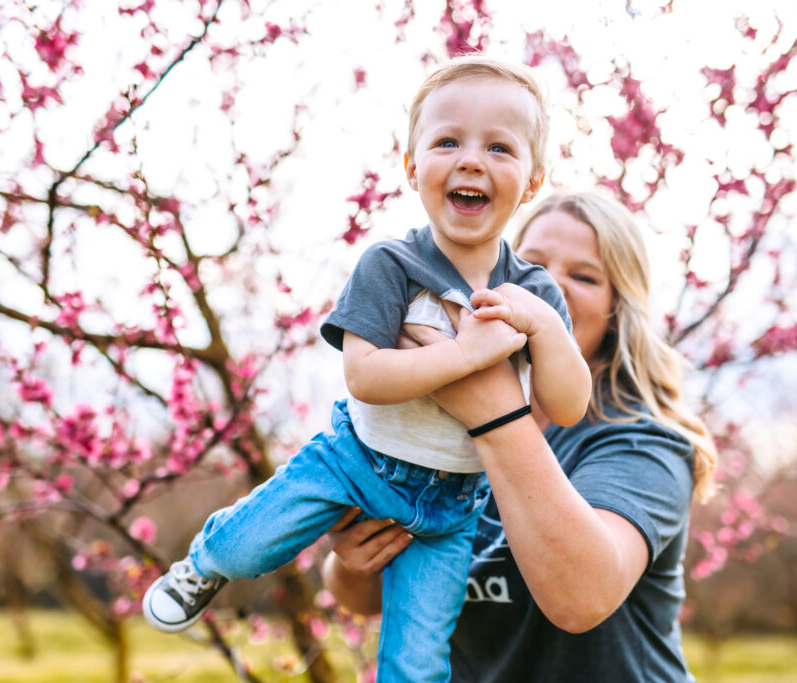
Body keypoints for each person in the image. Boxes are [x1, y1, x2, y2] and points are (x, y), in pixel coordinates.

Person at [141, 56, 591, 683]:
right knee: (246, 551)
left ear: (533, 180)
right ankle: (204, 563)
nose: (470, 159)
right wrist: (463, 355)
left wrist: (543, 328)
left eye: (498, 147)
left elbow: (567, 405)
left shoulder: (534, 292)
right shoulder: (391, 265)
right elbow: (365, 376)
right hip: (353, 464)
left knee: (417, 661)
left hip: (453, 508)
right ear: (412, 168)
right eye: (447, 142)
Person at [322, 190, 718, 682]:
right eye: (534, 264)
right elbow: (363, 597)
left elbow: (582, 600)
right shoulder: (435, 418)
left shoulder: (642, 443)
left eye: (586, 276)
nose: (552, 286)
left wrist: (494, 413)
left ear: (617, 310)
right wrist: (351, 559)